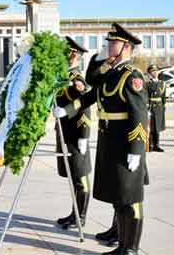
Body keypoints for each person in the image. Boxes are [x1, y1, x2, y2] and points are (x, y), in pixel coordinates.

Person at [78, 23, 149, 255]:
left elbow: (139, 115)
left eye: (113, 43)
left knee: (130, 198)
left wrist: (136, 150)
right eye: (108, 42)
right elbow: (91, 83)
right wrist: (67, 109)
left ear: (126, 47)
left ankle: (131, 249)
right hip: (109, 141)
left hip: (125, 144)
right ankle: (121, 242)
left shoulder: (132, 76)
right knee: (118, 195)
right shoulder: (111, 73)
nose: (108, 45)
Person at [51, 37, 92, 230]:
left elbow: (85, 107)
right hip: (65, 132)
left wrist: (84, 135)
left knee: (80, 175)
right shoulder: (63, 77)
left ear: (74, 55)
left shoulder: (77, 80)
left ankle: (80, 216)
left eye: (66, 52)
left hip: (76, 134)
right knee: (73, 176)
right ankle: (74, 213)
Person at [146, 65, 166, 152]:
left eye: (156, 71)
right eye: (152, 71)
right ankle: (150, 145)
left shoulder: (162, 83)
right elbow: (145, 96)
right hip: (150, 106)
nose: (155, 73)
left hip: (159, 107)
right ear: (149, 74)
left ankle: (156, 145)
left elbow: (163, 97)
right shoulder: (147, 84)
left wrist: (163, 106)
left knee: (157, 127)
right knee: (150, 127)